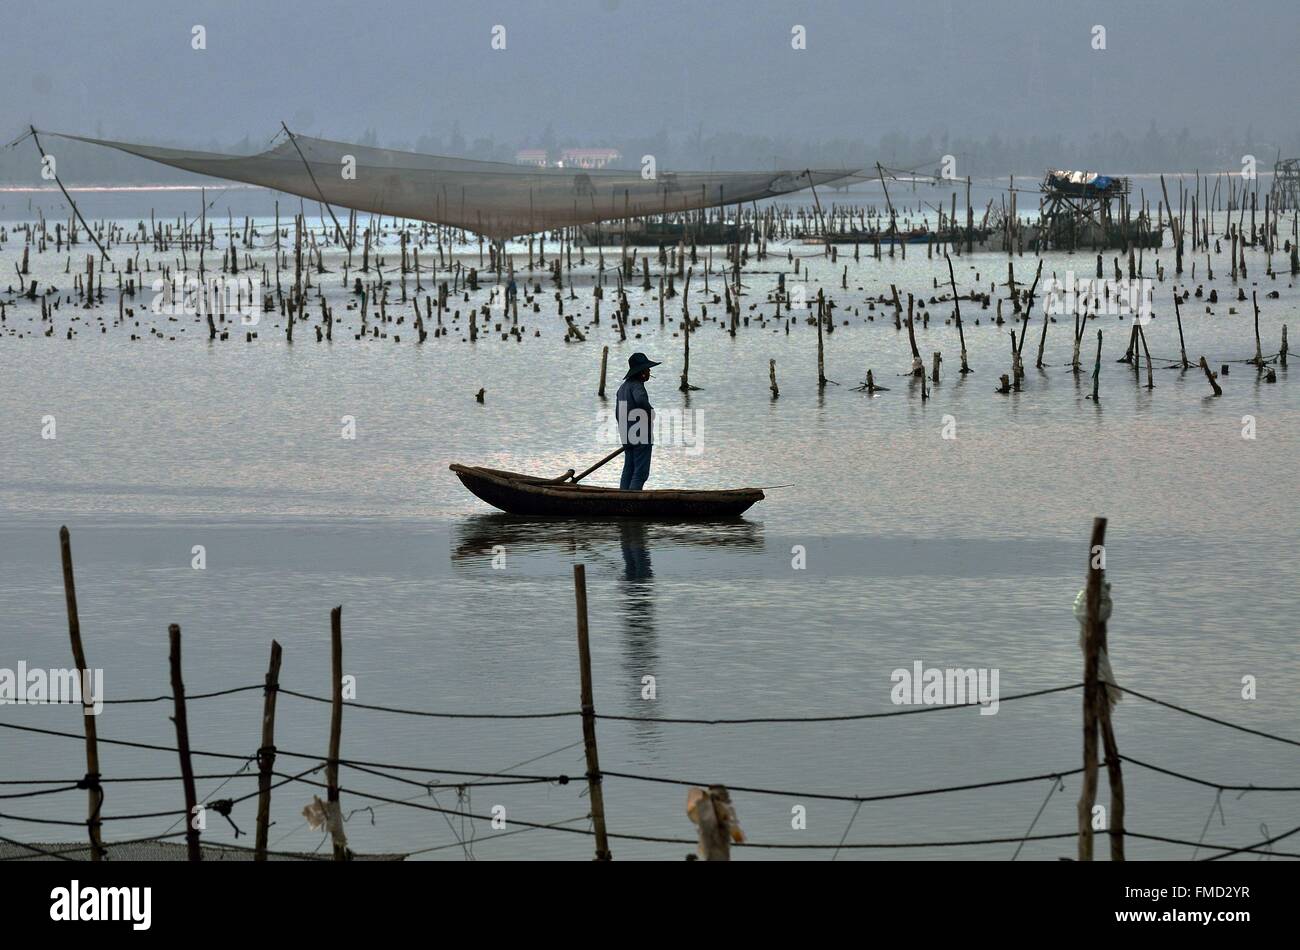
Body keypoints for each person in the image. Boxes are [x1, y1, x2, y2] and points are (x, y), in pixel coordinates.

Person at [616, 352, 660, 490]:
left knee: (629, 469)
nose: (649, 371)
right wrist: (650, 411)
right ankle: (631, 502)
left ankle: (621, 500)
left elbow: (618, 413)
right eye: (647, 369)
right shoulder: (637, 386)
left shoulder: (622, 388)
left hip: (627, 434)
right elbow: (640, 400)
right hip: (640, 435)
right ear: (641, 372)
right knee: (640, 473)